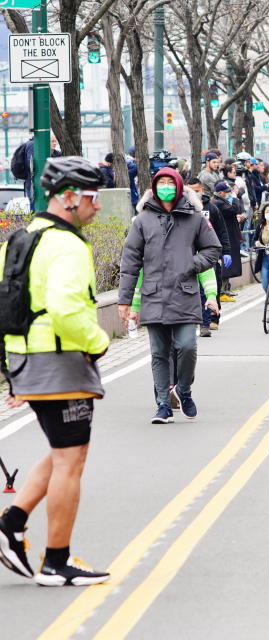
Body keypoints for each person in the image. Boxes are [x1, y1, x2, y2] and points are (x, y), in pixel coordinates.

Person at [0, 156, 112, 586]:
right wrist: (98, 343)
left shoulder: (22, 236)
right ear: (68, 198)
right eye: (91, 197)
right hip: (60, 360)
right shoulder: (67, 244)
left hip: (27, 358)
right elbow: (66, 309)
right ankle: (57, 561)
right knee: (71, 460)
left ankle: (12, 522)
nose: (96, 206)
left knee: (63, 450)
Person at [118, 168, 221, 424]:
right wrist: (125, 299)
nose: (165, 186)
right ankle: (163, 405)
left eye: (169, 182)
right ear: (153, 187)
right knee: (159, 353)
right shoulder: (142, 220)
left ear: (178, 186)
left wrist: (191, 263)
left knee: (187, 347)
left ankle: (183, 391)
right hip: (153, 296)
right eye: (160, 183)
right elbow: (130, 261)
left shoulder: (195, 218)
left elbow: (213, 249)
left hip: (184, 294)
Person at [186, 178, 230, 334]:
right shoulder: (182, 209)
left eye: (196, 191)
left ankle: (210, 321)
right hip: (188, 258)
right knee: (195, 291)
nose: (193, 194)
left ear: (201, 190)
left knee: (210, 289)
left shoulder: (211, 208)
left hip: (207, 256)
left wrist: (226, 252)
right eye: (190, 190)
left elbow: (222, 231)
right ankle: (201, 322)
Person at [211, 181, 244, 299]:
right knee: (225, 265)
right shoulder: (218, 202)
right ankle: (222, 290)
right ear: (221, 193)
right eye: (228, 192)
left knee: (229, 265)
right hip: (226, 236)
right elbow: (235, 209)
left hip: (230, 235)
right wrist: (235, 198)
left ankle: (225, 288)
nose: (230, 194)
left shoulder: (220, 201)